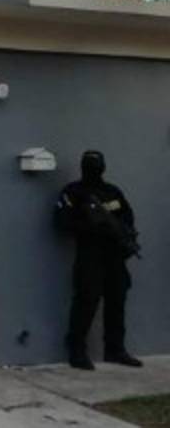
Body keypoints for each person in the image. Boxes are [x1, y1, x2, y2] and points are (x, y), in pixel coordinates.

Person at [55, 150, 142, 371]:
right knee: (86, 301)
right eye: (89, 165)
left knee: (117, 301)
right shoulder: (73, 192)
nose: (93, 170)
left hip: (114, 255)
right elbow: (61, 222)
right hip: (89, 254)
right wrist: (90, 228)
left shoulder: (112, 192)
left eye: (96, 166)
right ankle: (77, 351)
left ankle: (115, 349)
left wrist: (126, 238)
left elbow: (127, 218)